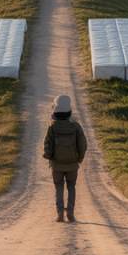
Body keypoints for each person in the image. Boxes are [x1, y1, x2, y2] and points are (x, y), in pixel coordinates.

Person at [42, 94, 88, 222]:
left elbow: (47, 145)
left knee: (59, 187)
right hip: (72, 164)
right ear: (69, 111)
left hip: (57, 164)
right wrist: (80, 158)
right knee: (71, 187)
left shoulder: (52, 127)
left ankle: (60, 214)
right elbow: (83, 145)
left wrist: (49, 156)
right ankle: (71, 213)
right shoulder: (76, 126)